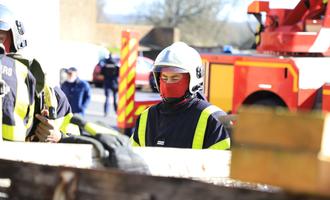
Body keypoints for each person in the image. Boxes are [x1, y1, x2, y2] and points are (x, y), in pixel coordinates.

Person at [130, 42, 231, 149]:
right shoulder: (146, 117)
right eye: (164, 78)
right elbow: (133, 159)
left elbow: (225, 162)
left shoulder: (215, 120)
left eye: (175, 78)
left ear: (193, 79)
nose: (168, 83)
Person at [0, 3, 73, 142]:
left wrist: (57, 136)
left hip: (22, 163)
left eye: (0, 40)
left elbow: (76, 139)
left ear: (15, 41)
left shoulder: (47, 96)